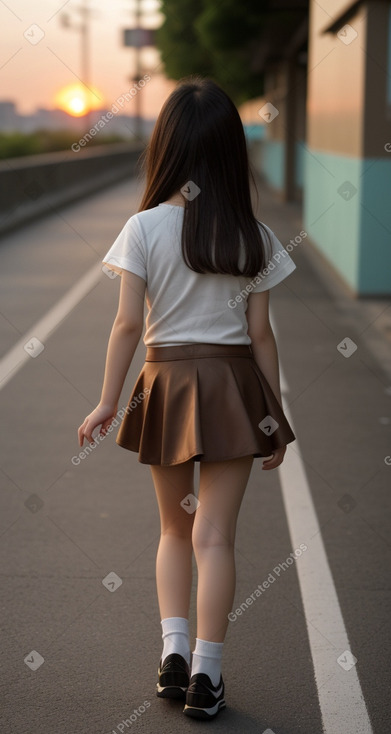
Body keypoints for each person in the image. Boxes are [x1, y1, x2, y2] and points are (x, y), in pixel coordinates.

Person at [77, 76, 296, 721]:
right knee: (216, 537)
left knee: (175, 529)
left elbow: (125, 326)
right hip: (232, 388)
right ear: (233, 150)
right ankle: (208, 673)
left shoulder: (142, 229)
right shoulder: (252, 235)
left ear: (165, 148)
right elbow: (262, 337)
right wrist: (274, 417)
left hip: (164, 386)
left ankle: (172, 655)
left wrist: (105, 401)